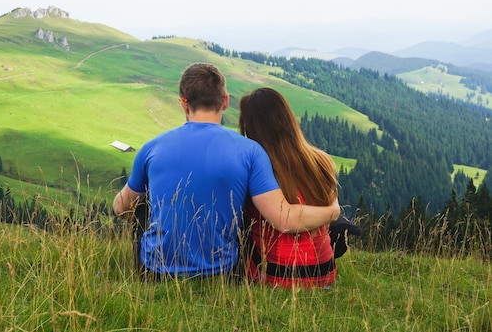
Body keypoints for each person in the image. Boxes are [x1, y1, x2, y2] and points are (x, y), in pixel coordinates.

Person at [113, 63, 340, 279]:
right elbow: (282, 218)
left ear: (184, 103)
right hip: (223, 271)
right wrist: (332, 212)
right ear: (225, 101)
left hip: (155, 270)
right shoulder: (250, 150)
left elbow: (121, 208)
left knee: (142, 201)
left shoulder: (151, 147)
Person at [239, 87, 339, 288]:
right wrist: (333, 212)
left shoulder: (255, 168)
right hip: (324, 272)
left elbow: (284, 220)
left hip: (273, 274)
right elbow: (331, 207)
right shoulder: (322, 160)